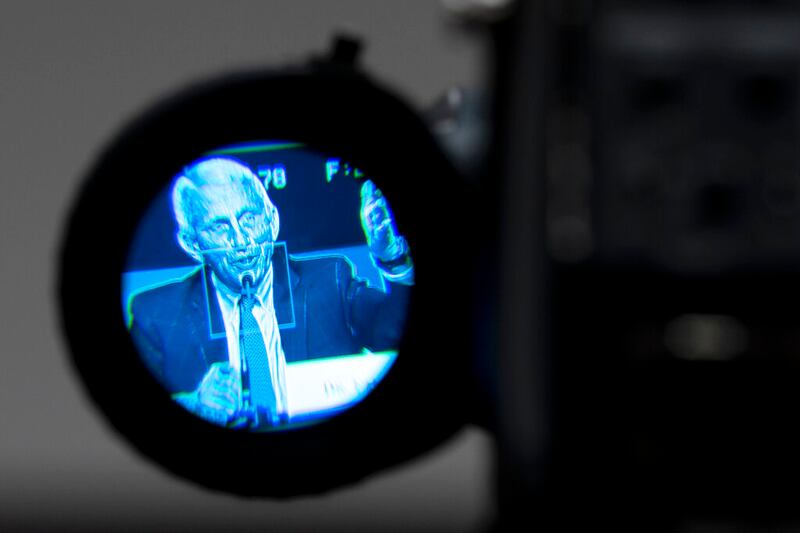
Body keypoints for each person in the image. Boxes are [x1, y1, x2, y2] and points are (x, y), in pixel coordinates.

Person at [128, 157, 413, 428]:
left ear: (272, 221)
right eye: (219, 227)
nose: (241, 240)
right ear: (192, 244)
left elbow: (392, 337)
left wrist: (394, 260)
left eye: (249, 219)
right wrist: (192, 405)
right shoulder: (155, 316)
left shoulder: (331, 280)